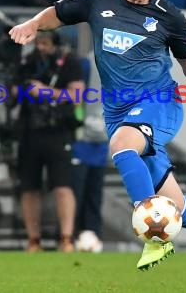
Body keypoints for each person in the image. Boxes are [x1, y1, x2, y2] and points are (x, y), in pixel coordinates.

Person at [9, 0, 186, 271]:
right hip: (117, 111)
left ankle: (154, 239)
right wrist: (32, 24)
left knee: (122, 145)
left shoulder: (169, 17)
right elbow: (58, 13)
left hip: (159, 103)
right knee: (173, 205)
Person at [12, 30, 85, 253]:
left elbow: (76, 96)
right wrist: (20, 90)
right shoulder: (26, 63)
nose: (41, 47)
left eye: (45, 43)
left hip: (58, 130)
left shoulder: (69, 63)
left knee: (63, 186)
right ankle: (34, 240)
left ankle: (66, 238)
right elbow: (11, 93)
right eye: (38, 43)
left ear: (55, 44)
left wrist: (44, 91)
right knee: (29, 188)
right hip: (30, 131)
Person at [71, 51, 109, 252]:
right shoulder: (86, 62)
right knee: (77, 193)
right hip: (82, 139)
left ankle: (93, 236)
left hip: (102, 140)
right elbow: (77, 97)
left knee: (95, 194)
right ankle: (72, 237)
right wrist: (78, 123)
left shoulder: (121, 62)